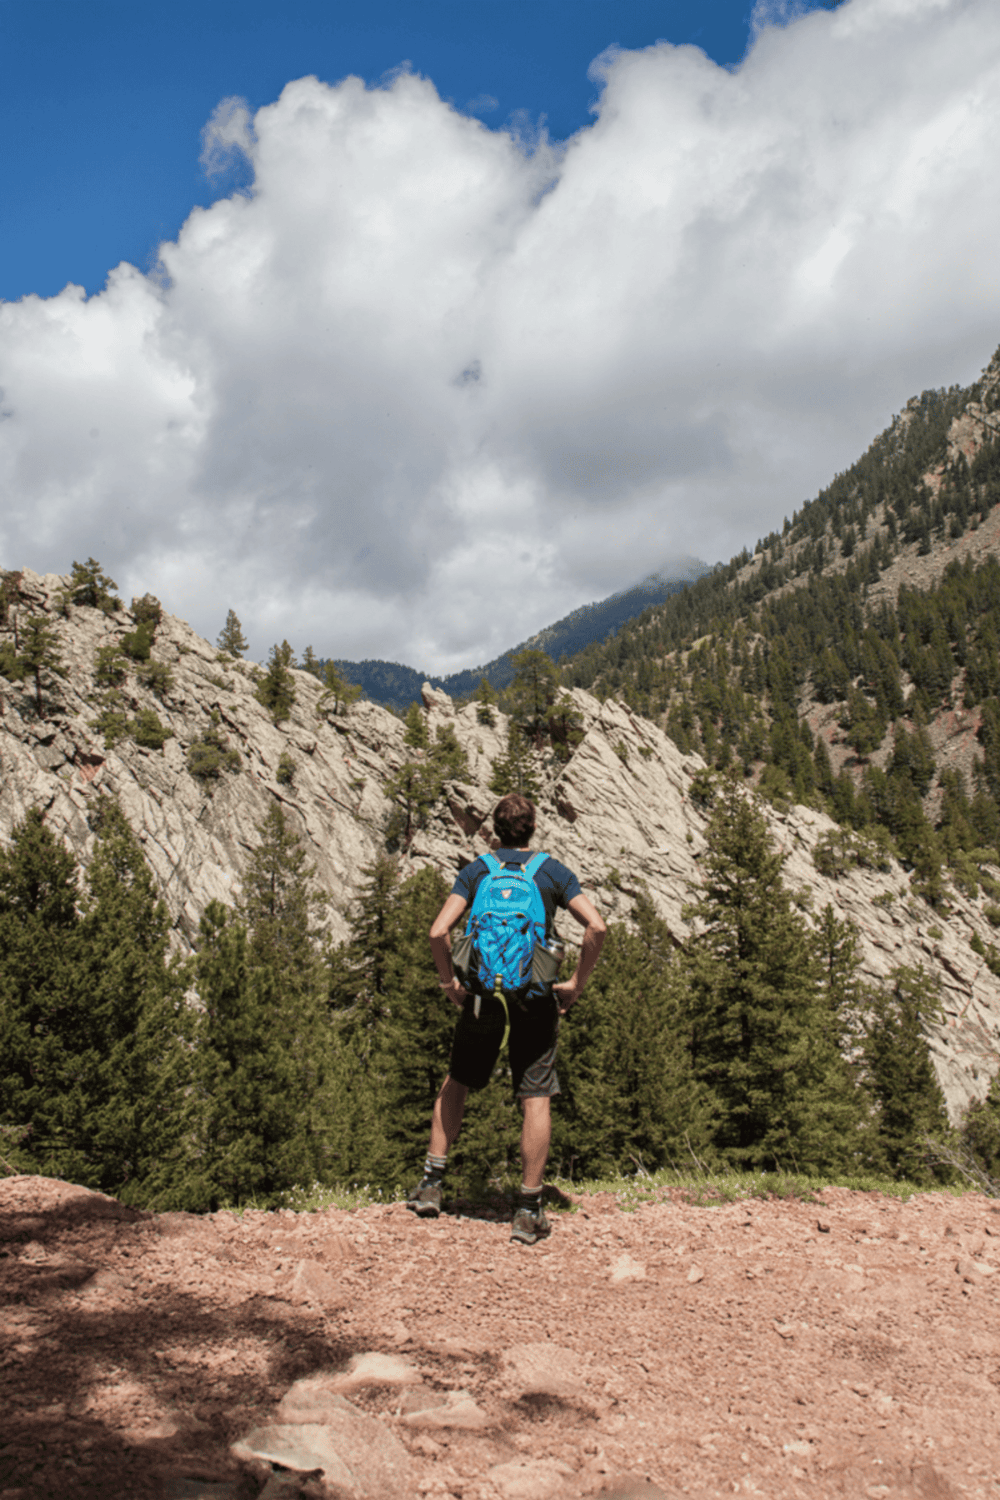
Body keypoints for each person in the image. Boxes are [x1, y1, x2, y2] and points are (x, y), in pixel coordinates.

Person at [408, 792, 606, 1245]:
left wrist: (450, 984)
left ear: (494, 830)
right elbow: (597, 926)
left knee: (457, 1079)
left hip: (482, 995)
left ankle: (432, 1186)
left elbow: (439, 932)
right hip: (535, 999)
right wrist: (575, 982)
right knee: (536, 1096)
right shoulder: (552, 871)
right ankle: (528, 1209)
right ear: (532, 828)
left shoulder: (478, 870)